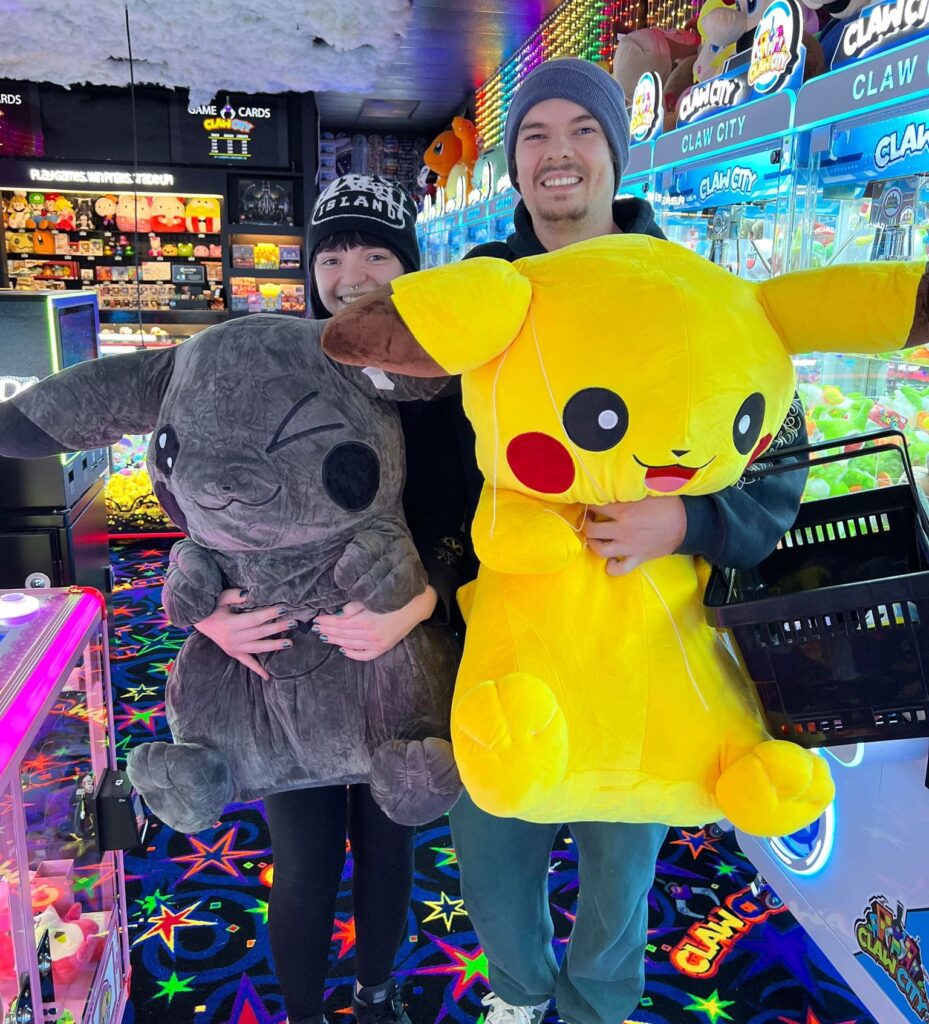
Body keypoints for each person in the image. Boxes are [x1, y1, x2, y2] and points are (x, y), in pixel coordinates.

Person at [448, 58, 808, 1024]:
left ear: (615, 148)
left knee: (623, 854)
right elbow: (436, 452)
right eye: (534, 135)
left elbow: (780, 456)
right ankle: (519, 990)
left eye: (581, 131)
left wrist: (685, 519)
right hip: (513, 627)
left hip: (649, 637)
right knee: (489, 838)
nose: (557, 154)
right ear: (514, 164)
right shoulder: (486, 287)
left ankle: (598, 1006)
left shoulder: (687, 290)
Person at [166, 175, 468, 1024]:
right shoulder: (279, 365)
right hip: (282, 666)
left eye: (376, 253)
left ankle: (377, 994)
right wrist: (214, 616)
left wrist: (411, 609)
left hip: (399, 658)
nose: (352, 274)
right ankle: (302, 1011)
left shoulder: (444, 385)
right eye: (333, 256)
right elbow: (211, 499)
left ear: (407, 263)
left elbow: (469, 524)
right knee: (303, 857)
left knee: (388, 843)